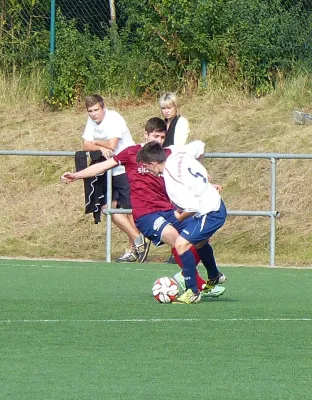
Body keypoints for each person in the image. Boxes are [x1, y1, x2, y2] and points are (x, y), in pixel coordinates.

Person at [61, 117, 226, 298]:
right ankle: (193, 286)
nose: (158, 141)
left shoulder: (167, 155)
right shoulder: (132, 153)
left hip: (170, 210)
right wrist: (77, 175)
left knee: (200, 241)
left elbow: (193, 163)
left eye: (162, 137)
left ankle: (208, 277)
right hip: (146, 214)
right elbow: (103, 166)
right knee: (179, 241)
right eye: (155, 136)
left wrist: (206, 185)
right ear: (145, 134)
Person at [136, 141, 227, 304]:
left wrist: (179, 217)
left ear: (153, 163)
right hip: (215, 205)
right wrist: (201, 179)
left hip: (210, 212)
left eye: (147, 167)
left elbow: (192, 207)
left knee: (181, 245)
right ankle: (214, 275)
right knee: (199, 244)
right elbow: (200, 145)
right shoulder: (178, 155)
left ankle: (192, 292)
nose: (148, 171)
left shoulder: (171, 184)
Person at [81, 94, 148, 263]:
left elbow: (112, 145)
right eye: (90, 111)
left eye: (96, 110)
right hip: (110, 171)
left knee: (130, 210)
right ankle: (138, 239)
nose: (94, 114)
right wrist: (100, 145)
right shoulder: (91, 121)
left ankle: (134, 250)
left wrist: (97, 142)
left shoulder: (114, 118)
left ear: (103, 108)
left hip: (126, 169)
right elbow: (85, 145)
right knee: (107, 208)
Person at [159, 92, 190, 263]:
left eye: (169, 108)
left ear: (175, 107)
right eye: (163, 108)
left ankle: (180, 249)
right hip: (164, 170)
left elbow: (178, 146)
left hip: (177, 169)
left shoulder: (181, 122)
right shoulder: (162, 125)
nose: (166, 111)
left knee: (180, 211)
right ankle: (175, 248)